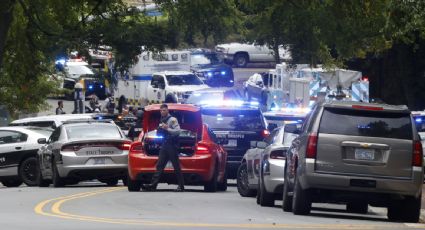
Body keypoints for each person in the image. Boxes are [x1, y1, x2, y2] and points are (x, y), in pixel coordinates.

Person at [144, 104, 184, 192]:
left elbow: (177, 131)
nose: (162, 112)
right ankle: (153, 185)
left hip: (172, 145)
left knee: (176, 166)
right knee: (159, 166)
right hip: (164, 145)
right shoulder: (162, 120)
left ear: (167, 111)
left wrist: (167, 128)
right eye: (161, 110)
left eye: (164, 110)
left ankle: (181, 186)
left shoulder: (172, 120)